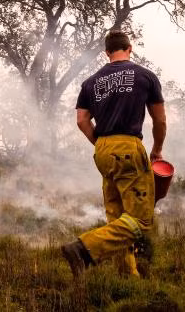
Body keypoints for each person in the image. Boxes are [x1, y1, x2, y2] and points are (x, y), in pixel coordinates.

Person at [61, 30, 166, 278]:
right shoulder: (145, 76)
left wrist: (99, 143)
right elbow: (159, 120)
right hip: (128, 146)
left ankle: (127, 276)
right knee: (140, 221)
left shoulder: (90, 82)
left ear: (107, 52)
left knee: (118, 217)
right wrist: (157, 149)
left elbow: (82, 120)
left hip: (103, 149)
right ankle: (84, 249)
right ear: (130, 48)